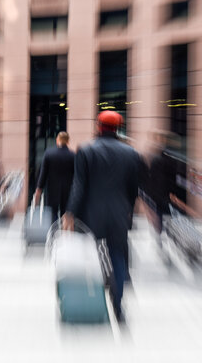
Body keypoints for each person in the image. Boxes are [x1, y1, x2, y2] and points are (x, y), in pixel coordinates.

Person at [62, 111, 144, 323]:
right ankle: (118, 304)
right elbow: (134, 188)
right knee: (118, 255)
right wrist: (128, 209)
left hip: (91, 214)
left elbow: (78, 185)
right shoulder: (131, 153)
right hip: (119, 214)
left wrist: (70, 213)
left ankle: (94, 295)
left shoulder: (86, 151)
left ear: (98, 126)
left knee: (91, 257)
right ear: (118, 128)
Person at [33, 131, 75, 218]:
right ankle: (63, 230)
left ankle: (54, 231)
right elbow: (76, 176)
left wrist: (38, 190)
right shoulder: (73, 155)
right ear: (68, 141)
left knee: (52, 215)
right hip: (68, 191)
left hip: (52, 191)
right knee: (65, 215)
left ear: (57, 140)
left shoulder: (49, 154)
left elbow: (43, 174)